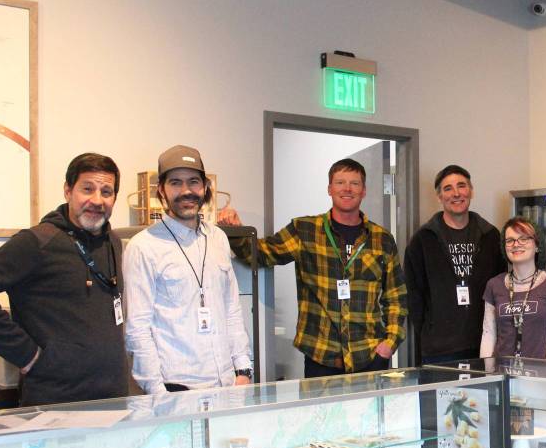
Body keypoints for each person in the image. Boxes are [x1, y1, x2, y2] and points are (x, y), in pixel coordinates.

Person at [219, 158, 406, 377]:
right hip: (321, 359)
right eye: (340, 182)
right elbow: (261, 254)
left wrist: (390, 343)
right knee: (320, 414)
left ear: (364, 191)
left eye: (354, 183)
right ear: (329, 189)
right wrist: (236, 230)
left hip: (370, 358)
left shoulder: (382, 239)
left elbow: (396, 297)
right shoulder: (304, 230)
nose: (347, 188)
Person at [0, 153, 128, 405]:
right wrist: (26, 355)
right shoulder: (38, 242)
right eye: (87, 189)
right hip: (57, 401)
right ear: (68, 191)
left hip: (113, 397)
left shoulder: (113, 242)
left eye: (107, 192)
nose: (97, 200)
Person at [123, 145, 253, 393]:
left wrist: (243, 371)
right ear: (161, 189)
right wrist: (157, 392)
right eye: (175, 183)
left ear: (204, 187)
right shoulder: (143, 247)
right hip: (176, 387)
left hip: (226, 384)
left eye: (193, 182)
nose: (186, 191)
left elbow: (232, 310)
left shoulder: (218, 239)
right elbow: (138, 329)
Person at [404, 164, 505, 364]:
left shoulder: (490, 236)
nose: (456, 193)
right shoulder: (423, 240)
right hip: (439, 348)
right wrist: (430, 329)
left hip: (484, 343)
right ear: (439, 196)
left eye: (462, 186)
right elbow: (414, 294)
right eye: (448, 188)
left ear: (471, 191)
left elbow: (501, 287)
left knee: (484, 396)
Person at [480, 218, 546, 361]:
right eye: (510, 240)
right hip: (502, 374)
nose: (516, 244)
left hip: (538, 376)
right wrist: (487, 374)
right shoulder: (494, 285)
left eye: (524, 239)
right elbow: (488, 334)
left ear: (537, 245)